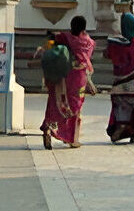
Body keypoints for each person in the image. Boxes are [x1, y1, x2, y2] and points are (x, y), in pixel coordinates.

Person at [38, 15, 95, 150]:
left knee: (54, 103)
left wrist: (46, 49)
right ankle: (72, 139)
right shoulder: (89, 42)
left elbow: (51, 40)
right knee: (75, 108)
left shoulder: (64, 37)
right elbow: (86, 62)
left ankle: (49, 128)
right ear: (84, 28)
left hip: (60, 76)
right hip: (78, 78)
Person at [105, 11, 134, 143]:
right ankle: (132, 135)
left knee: (120, 107)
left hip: (119, 81)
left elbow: (107, 55)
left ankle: (119, 128)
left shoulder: (115, 43)